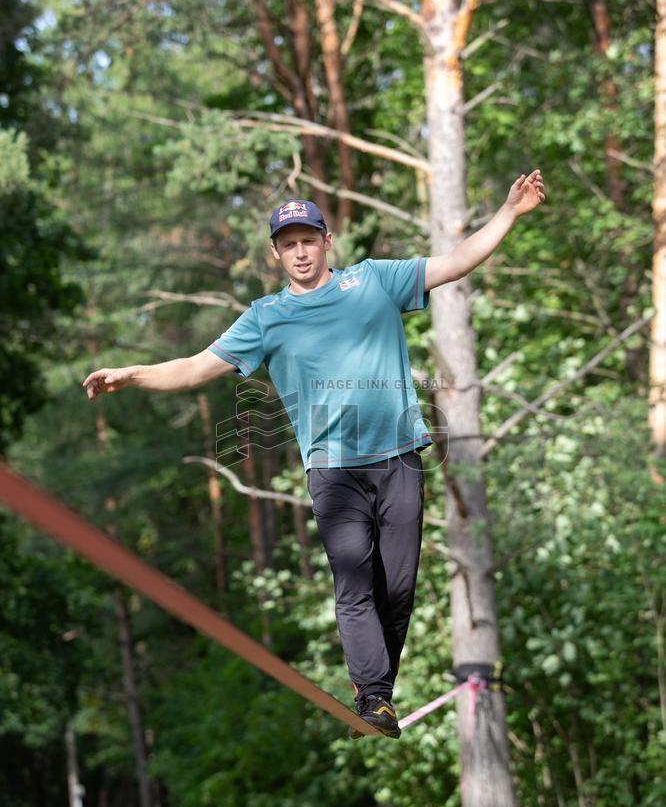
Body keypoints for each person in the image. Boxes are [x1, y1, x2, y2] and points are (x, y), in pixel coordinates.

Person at [83, 172, 546, 739]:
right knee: (353, 581)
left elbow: (456, 262)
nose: (300, 252)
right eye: (288, 244)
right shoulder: (265, 317)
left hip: (400, 456)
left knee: (396, 588)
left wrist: (510, 212)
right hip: (332, 469)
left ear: (328, 242)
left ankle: (378, 690)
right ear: (276, 253)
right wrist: (132, 374)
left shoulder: (375, 281)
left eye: (309, 240)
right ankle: (373, 697)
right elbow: (195, 367)